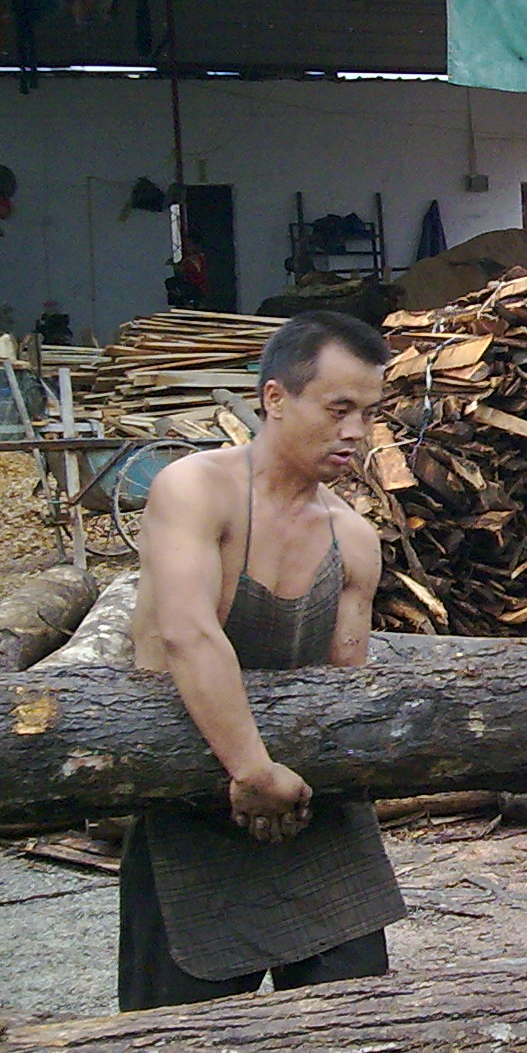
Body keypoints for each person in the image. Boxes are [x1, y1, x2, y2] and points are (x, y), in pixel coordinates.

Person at [122, 311, 405, 1011]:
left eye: (368, 413)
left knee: (354, 1048)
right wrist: (250, 770)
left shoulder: (353, 538)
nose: (357, 433)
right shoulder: (195, 489)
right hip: (189, 818)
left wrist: (290, 781)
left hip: (315, 816)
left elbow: (344, 692)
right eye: (338, 409)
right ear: (275, 399)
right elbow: (188, 633)